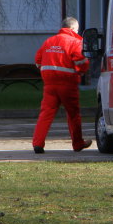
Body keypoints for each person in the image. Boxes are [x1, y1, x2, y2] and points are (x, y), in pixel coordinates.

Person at [32, 17, 92, 153]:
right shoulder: (76, 42)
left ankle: (38, 143)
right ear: (73, 29)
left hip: (49, 83)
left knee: (46, 113)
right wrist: (81, 72)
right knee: (73, 114)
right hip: (67, 83)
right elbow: (82, 61)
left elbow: (38, 60)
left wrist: (47, 71)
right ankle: (77, 143)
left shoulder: (49, 41)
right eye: (77, 29)